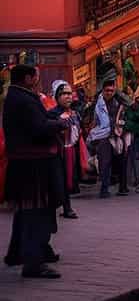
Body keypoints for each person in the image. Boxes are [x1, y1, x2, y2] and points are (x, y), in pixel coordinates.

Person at [4, 63, 70, 279]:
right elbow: (38, 128)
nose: (38, 80)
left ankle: (16, 253)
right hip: (32, 164)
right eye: (36, 76)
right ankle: (33, 262)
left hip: (25, 163)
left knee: (25, 212)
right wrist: (59, 124)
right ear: (27, 78)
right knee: (35, 213)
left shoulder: (16, 97)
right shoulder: (23, 100)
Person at [87, 78, 129, 198]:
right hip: (103, 136)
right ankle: (104, 189)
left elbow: (129, 104)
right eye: (107, 90)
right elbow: (92, 119)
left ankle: (122, 187)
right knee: (104, 163)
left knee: (121, 162)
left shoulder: (119, 101)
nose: (109, 93)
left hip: (118, 135)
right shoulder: (97, 103)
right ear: (103, 91)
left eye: (112, 90)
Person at [48, 81, 81, 220]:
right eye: (64, 94)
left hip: (70, 151)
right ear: (57, 96)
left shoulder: (74, 113)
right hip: (56, 153)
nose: (68, 96)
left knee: (68, 180)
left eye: (69, 93)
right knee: (58, 182)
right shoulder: (51, 114)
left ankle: (67, 208)